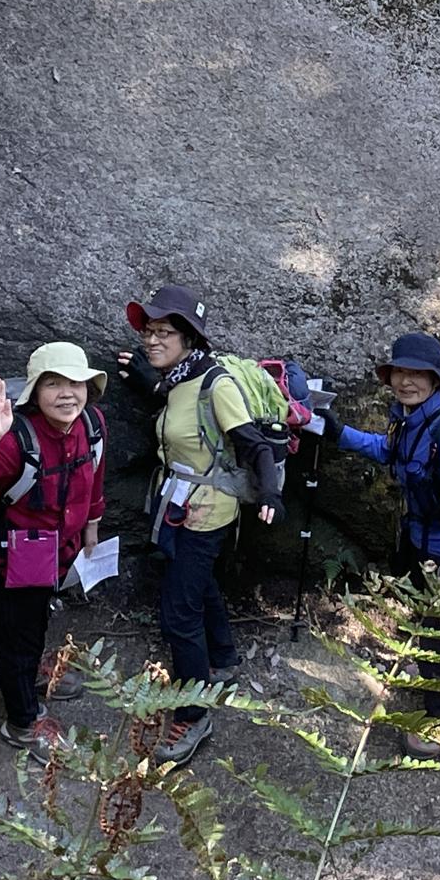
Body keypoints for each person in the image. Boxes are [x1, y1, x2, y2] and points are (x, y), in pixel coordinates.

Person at [113, 285, 282, 767]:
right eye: (148, 331)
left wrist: (270, 494)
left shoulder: (215, 383)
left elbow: (253, 443)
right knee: (199, 583)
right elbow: (175, 406)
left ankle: (194, 714)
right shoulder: (179, 378)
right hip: (182, 502)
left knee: (178, 613)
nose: (151, 340)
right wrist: (145, 382)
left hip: (207, 513)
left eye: (163, 332)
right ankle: (223, 659)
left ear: (188, 338)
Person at [316, 332, 440, 757]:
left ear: (435, 380)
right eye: (399, 372)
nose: (406, 381)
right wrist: (338, 432)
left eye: (417, 374)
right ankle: (435, 667)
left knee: (439, 638)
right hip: (419, 544)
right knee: (428, 628)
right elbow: (387, 450)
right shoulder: (409, 421)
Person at [0, 341, 109, 759]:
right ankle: (22, 720)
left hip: (60, 550)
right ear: (35, 392)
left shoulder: (92, 424)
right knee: (14, 635)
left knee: (34, 622)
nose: (67, 394)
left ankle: (32, 672)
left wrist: (92, 525)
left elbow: (95, 476)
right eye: (54, 384)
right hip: (13, 557)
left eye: (76, 383)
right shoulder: (16, 438)